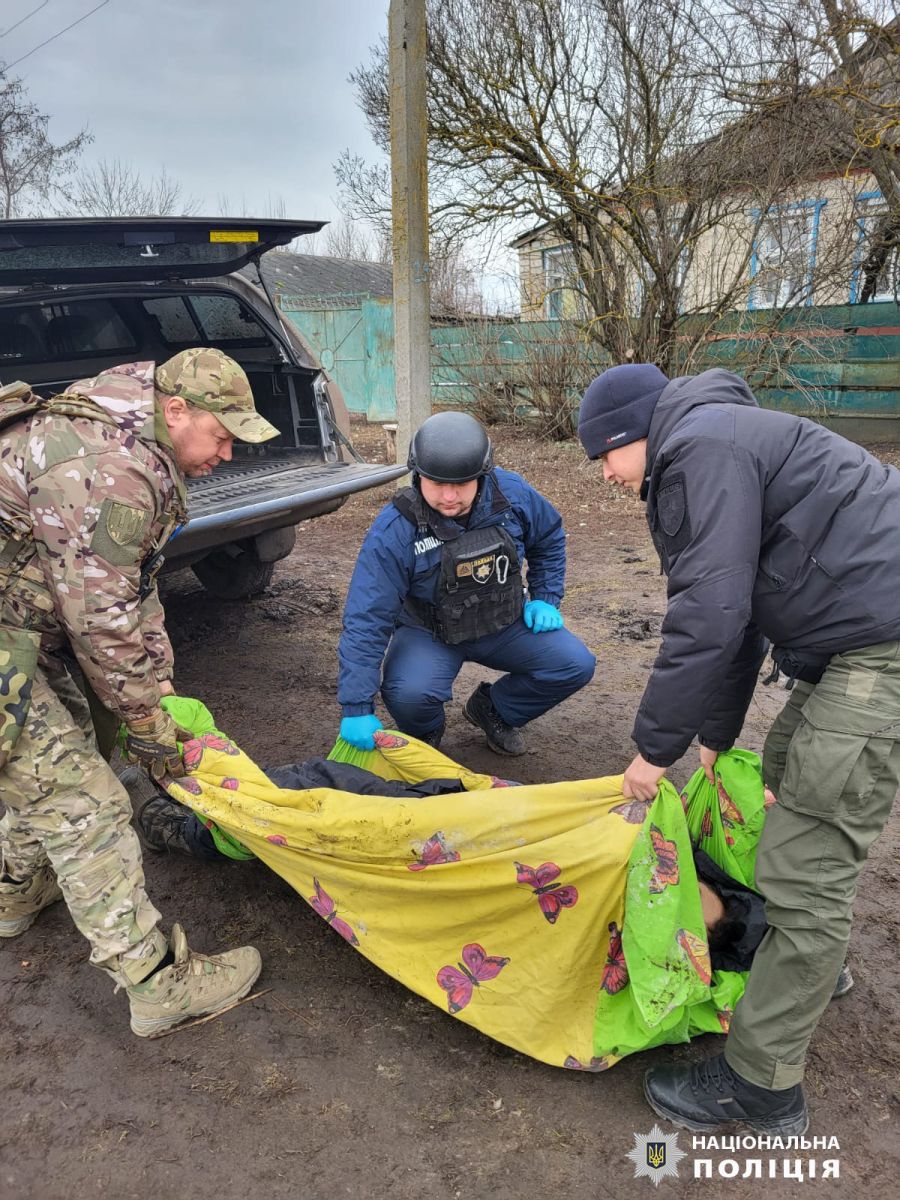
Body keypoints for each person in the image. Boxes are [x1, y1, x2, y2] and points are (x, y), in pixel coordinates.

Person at [578, 361, 900, 1134]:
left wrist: (653, 754)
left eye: (605, 456)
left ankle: (761, 1087)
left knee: (810, 867)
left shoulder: (699, 450)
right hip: (856, 644)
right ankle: (802, 969)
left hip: (880, 652)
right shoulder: (721, 436)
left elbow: (710, 614)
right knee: (784, 773)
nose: (606, 477)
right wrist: (717, 739)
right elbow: (746, 609)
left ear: (632, 436)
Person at [0, 348, 278, 1037]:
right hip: (14, 633)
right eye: (222, 436)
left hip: (17, 627)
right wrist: (151, 732)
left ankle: (12, 887)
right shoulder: (109, 470)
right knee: (87, 804)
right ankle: (155, 983)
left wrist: (158, 693)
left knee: (53, 759)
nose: (228, 454)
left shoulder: (128, 439)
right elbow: (102, 624)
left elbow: (133, 592)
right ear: (176, 410)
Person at [336, 411, 596, 756]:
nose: (448, 497)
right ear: (418, 474)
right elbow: (367, 615)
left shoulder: (512, 495)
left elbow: (548, 536)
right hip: (430, 632)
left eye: (460, 484)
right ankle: (426, 731)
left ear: (482, 476)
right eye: (437, 484)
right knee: (409, 694)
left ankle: (494, 710)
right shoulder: (395, 530)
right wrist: (355, 707)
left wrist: (545, 596)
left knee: (573, 664)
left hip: (503, 620)